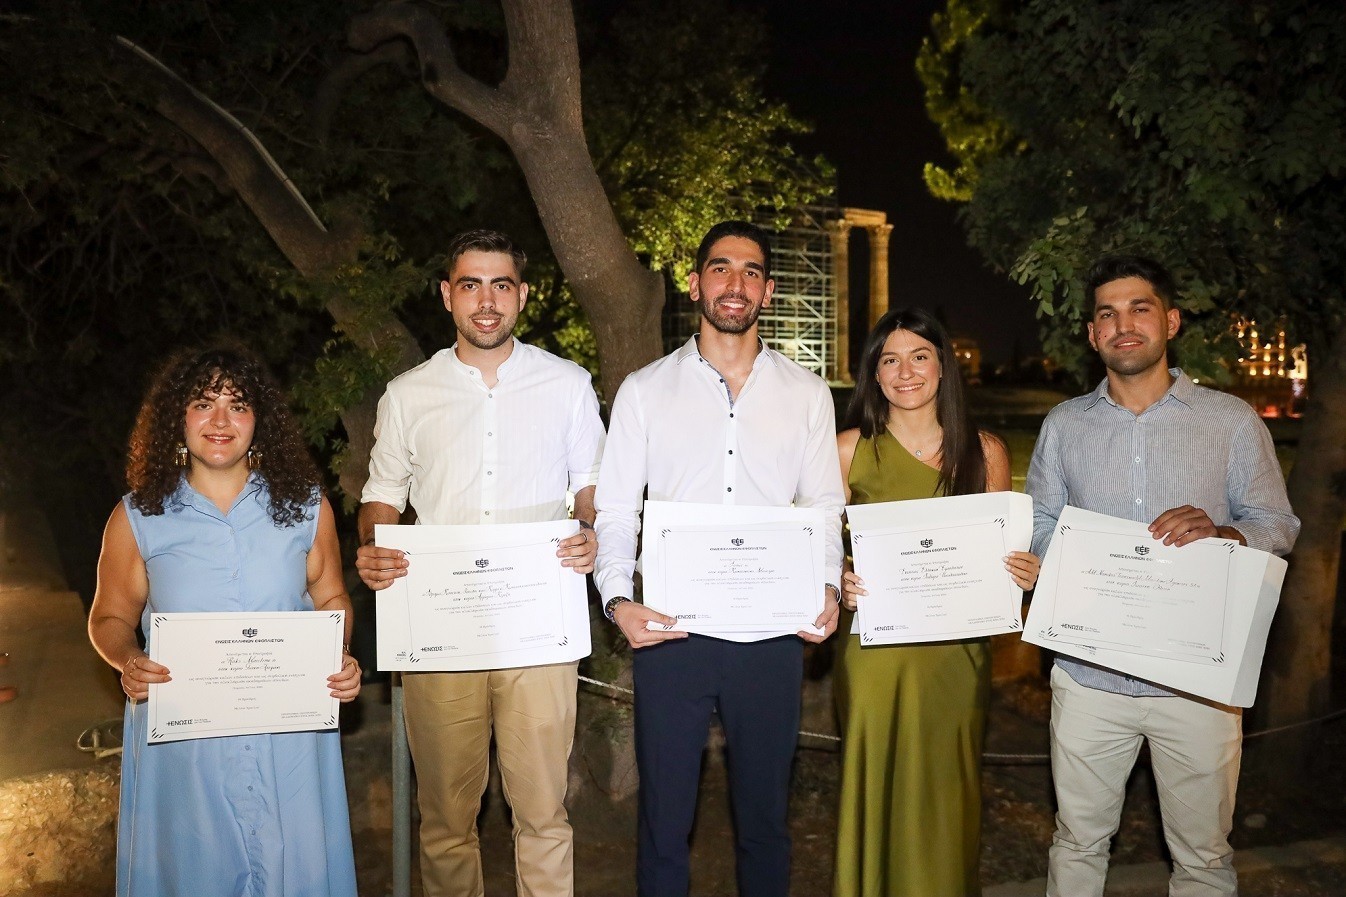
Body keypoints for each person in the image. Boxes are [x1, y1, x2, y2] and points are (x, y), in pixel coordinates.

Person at [1026, 255, 1300, 897]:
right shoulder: (1065, 425)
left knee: (1203, 858)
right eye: (1107, 314)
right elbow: (1040, 524)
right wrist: (1060, 559)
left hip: (1197, 682)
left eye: (1139, 308)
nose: (1124, 325)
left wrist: (1225, 533)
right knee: (1076, 843)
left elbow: (1277, 524)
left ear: (1171, 321)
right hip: (1090, 676)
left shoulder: (1230, 421)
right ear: (1092, 333)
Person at [593, 219, 845, 897]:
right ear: (695, 282)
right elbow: (615, 510)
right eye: (722, 268)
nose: (736, 283)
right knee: (664, 823)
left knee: (764, 823)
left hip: (771, 634)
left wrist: (827, 584)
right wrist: (617, 600)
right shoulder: (645, 390)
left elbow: (824, 506)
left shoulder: (807, 394)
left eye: (751, 271)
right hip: (671, 632)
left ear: (769, 290)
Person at [355, 229, 604, 897]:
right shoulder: (408, 393)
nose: (486, 301)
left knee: (544, 813)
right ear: (447, 295)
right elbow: (382, 494)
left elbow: (590, 482)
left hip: (539, 626)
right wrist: (375, 545)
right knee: (445, 820)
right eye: (471, 285)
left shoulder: (568, 384)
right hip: (442, 630)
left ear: (522, 295)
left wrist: (589, 527)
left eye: (500, 285)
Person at [88, 344, 361, 897]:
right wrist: (129, 659)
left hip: (288, 736)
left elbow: (332, 596)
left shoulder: (307, 508)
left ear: (259, 422)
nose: (220, 421)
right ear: (178, 418)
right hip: (186, 744)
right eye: (203, 404)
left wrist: (339, 655)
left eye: (237, 405)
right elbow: (110, 616)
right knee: (194, 874)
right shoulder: (138, 516)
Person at [831, 307, 1040, 897]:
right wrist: (839, 575)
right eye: (890, 359)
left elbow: (998, 552)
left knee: (949, 785)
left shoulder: (985, 451)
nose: (906, 372)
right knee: (872, 775)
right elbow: (820, 545)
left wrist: (1020, 572)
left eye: (919, 356)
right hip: (874, 649)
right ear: (874, 374)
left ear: (943, 366)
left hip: (956, 650)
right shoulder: (847, 450)